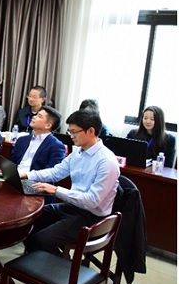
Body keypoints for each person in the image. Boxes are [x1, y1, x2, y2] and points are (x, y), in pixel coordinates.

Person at [20, 109, 119, 255]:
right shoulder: (78, 152)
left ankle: (62, 265)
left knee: (39, 241)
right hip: (71, 206)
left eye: (74, 132)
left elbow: (92, 201)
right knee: (27, 222)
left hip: (90, 216)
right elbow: (56, 172)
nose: (71, 136)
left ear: (91, 131)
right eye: (70, 132)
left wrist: (56, 190)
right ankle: (40, 260)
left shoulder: (106, 161)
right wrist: (26, 175)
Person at [9, 106, 66, 174]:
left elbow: (51, 173)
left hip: (34, 179)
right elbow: (11, 162)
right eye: (36, 114)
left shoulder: (56, 146)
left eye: (39, 116)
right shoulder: (22, 140)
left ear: (48, 125)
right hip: (14, 176)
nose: (34, 117)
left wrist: (26, 175)